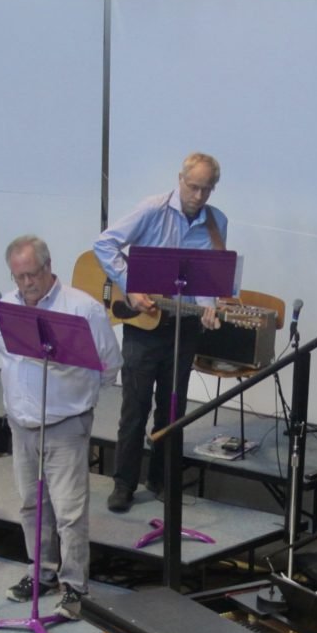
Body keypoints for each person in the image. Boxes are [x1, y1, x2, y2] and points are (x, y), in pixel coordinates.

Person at [0, 235, 122, 620]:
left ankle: (74, 584)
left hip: (66, 424)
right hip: (21, 425)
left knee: (69, 510)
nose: (26, 284)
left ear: (49, 267)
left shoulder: (82, 308)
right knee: (32, 505)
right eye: (19, 276)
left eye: (32, 274)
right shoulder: (5, 305)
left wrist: (79, 402)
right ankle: (41, 573)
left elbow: (109, 364)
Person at [94, 152, 224, 513]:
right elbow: (103, 245)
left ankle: (161, 478)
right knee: (134, 406)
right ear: (180, 180)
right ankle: (124, 483)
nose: (198, 196)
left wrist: (210, 306)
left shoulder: (216, 222)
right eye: (193, 186)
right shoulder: (152, 209)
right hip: (144, 324)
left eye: (206, 189)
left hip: (183, 325)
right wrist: (130, 285)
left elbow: (208, 278)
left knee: (173, 407)